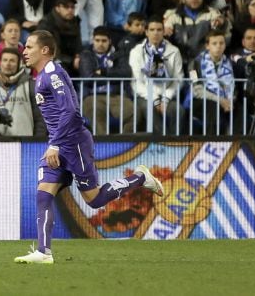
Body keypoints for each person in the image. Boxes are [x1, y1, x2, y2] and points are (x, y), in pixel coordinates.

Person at [13, 29, 164, 264]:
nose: (25, 51)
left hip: (73, 143)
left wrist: (55, 144)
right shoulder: (40, 76)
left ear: (44, 50)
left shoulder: (52, 72)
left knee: (94, 200)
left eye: (30, 46)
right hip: (58, 144)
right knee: (43, 195)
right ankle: (44, 253)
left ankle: (140, 178)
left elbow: (71, 111)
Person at [128, 17, 185, 135]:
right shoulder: (136, 51)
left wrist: (165, 98)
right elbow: (137, 82)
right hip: (144, 95)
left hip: (167, 95)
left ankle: (175, 143)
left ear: (164, 32)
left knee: (178, 110)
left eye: (159, 30)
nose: (155, 33)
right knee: (149, 109)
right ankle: (162, 143)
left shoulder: (174, 51)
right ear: (146, 32)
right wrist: (155, 100)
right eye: (152, 30)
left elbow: (178, 79)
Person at [79, 27, 135, 134]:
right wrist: (113, 77)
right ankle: (104, 145)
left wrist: (104, 72)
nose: (100, 44)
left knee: (133, 112)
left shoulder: (120, 54)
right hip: (93, 95)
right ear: (93, 40)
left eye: (104, 41)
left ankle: (125, 143)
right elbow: (88, 78)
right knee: (95, 112)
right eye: (97, 40)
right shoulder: (86, 55)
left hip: (116, 95)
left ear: (110, 41)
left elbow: (125, 73)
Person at [187, 30, 237, 135]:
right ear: (207, 46)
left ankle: (239, 145)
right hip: (200, 100)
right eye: (214, 43)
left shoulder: (230, 63)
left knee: (240, 109)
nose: (218, 46)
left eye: (221, 43)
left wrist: (230, 100)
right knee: (213, 107)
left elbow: (234, 88)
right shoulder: (194, 63)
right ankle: (211, 142)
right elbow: (197, 90)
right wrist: (220, 100)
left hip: (226, 100)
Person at [163, 0, 227, 63]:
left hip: (205, 61)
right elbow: (166, 37)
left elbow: (220, 36)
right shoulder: (173, 16)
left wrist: (221, 24)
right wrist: (165, 32)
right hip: (180, 60)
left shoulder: (212, 14)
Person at [0, 48, 43, 136]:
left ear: (19, 64)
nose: (8, 64)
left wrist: (37, 140)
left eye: (12, 61)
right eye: (5, 60)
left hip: (23, 143)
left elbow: (40, 118)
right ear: (0, 63)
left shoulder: (31, 85)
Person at [37, 0, 82, 74]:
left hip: (71, 59)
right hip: (52, 60)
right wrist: (71, 61)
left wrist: (78, 56)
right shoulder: (47, 24)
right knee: (60, 66)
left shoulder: (75, 22)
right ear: (57, 8)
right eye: (66, 7)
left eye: (72, 7)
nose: (70, 10)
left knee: (85, 61)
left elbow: (78, 44)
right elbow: (50, 51)